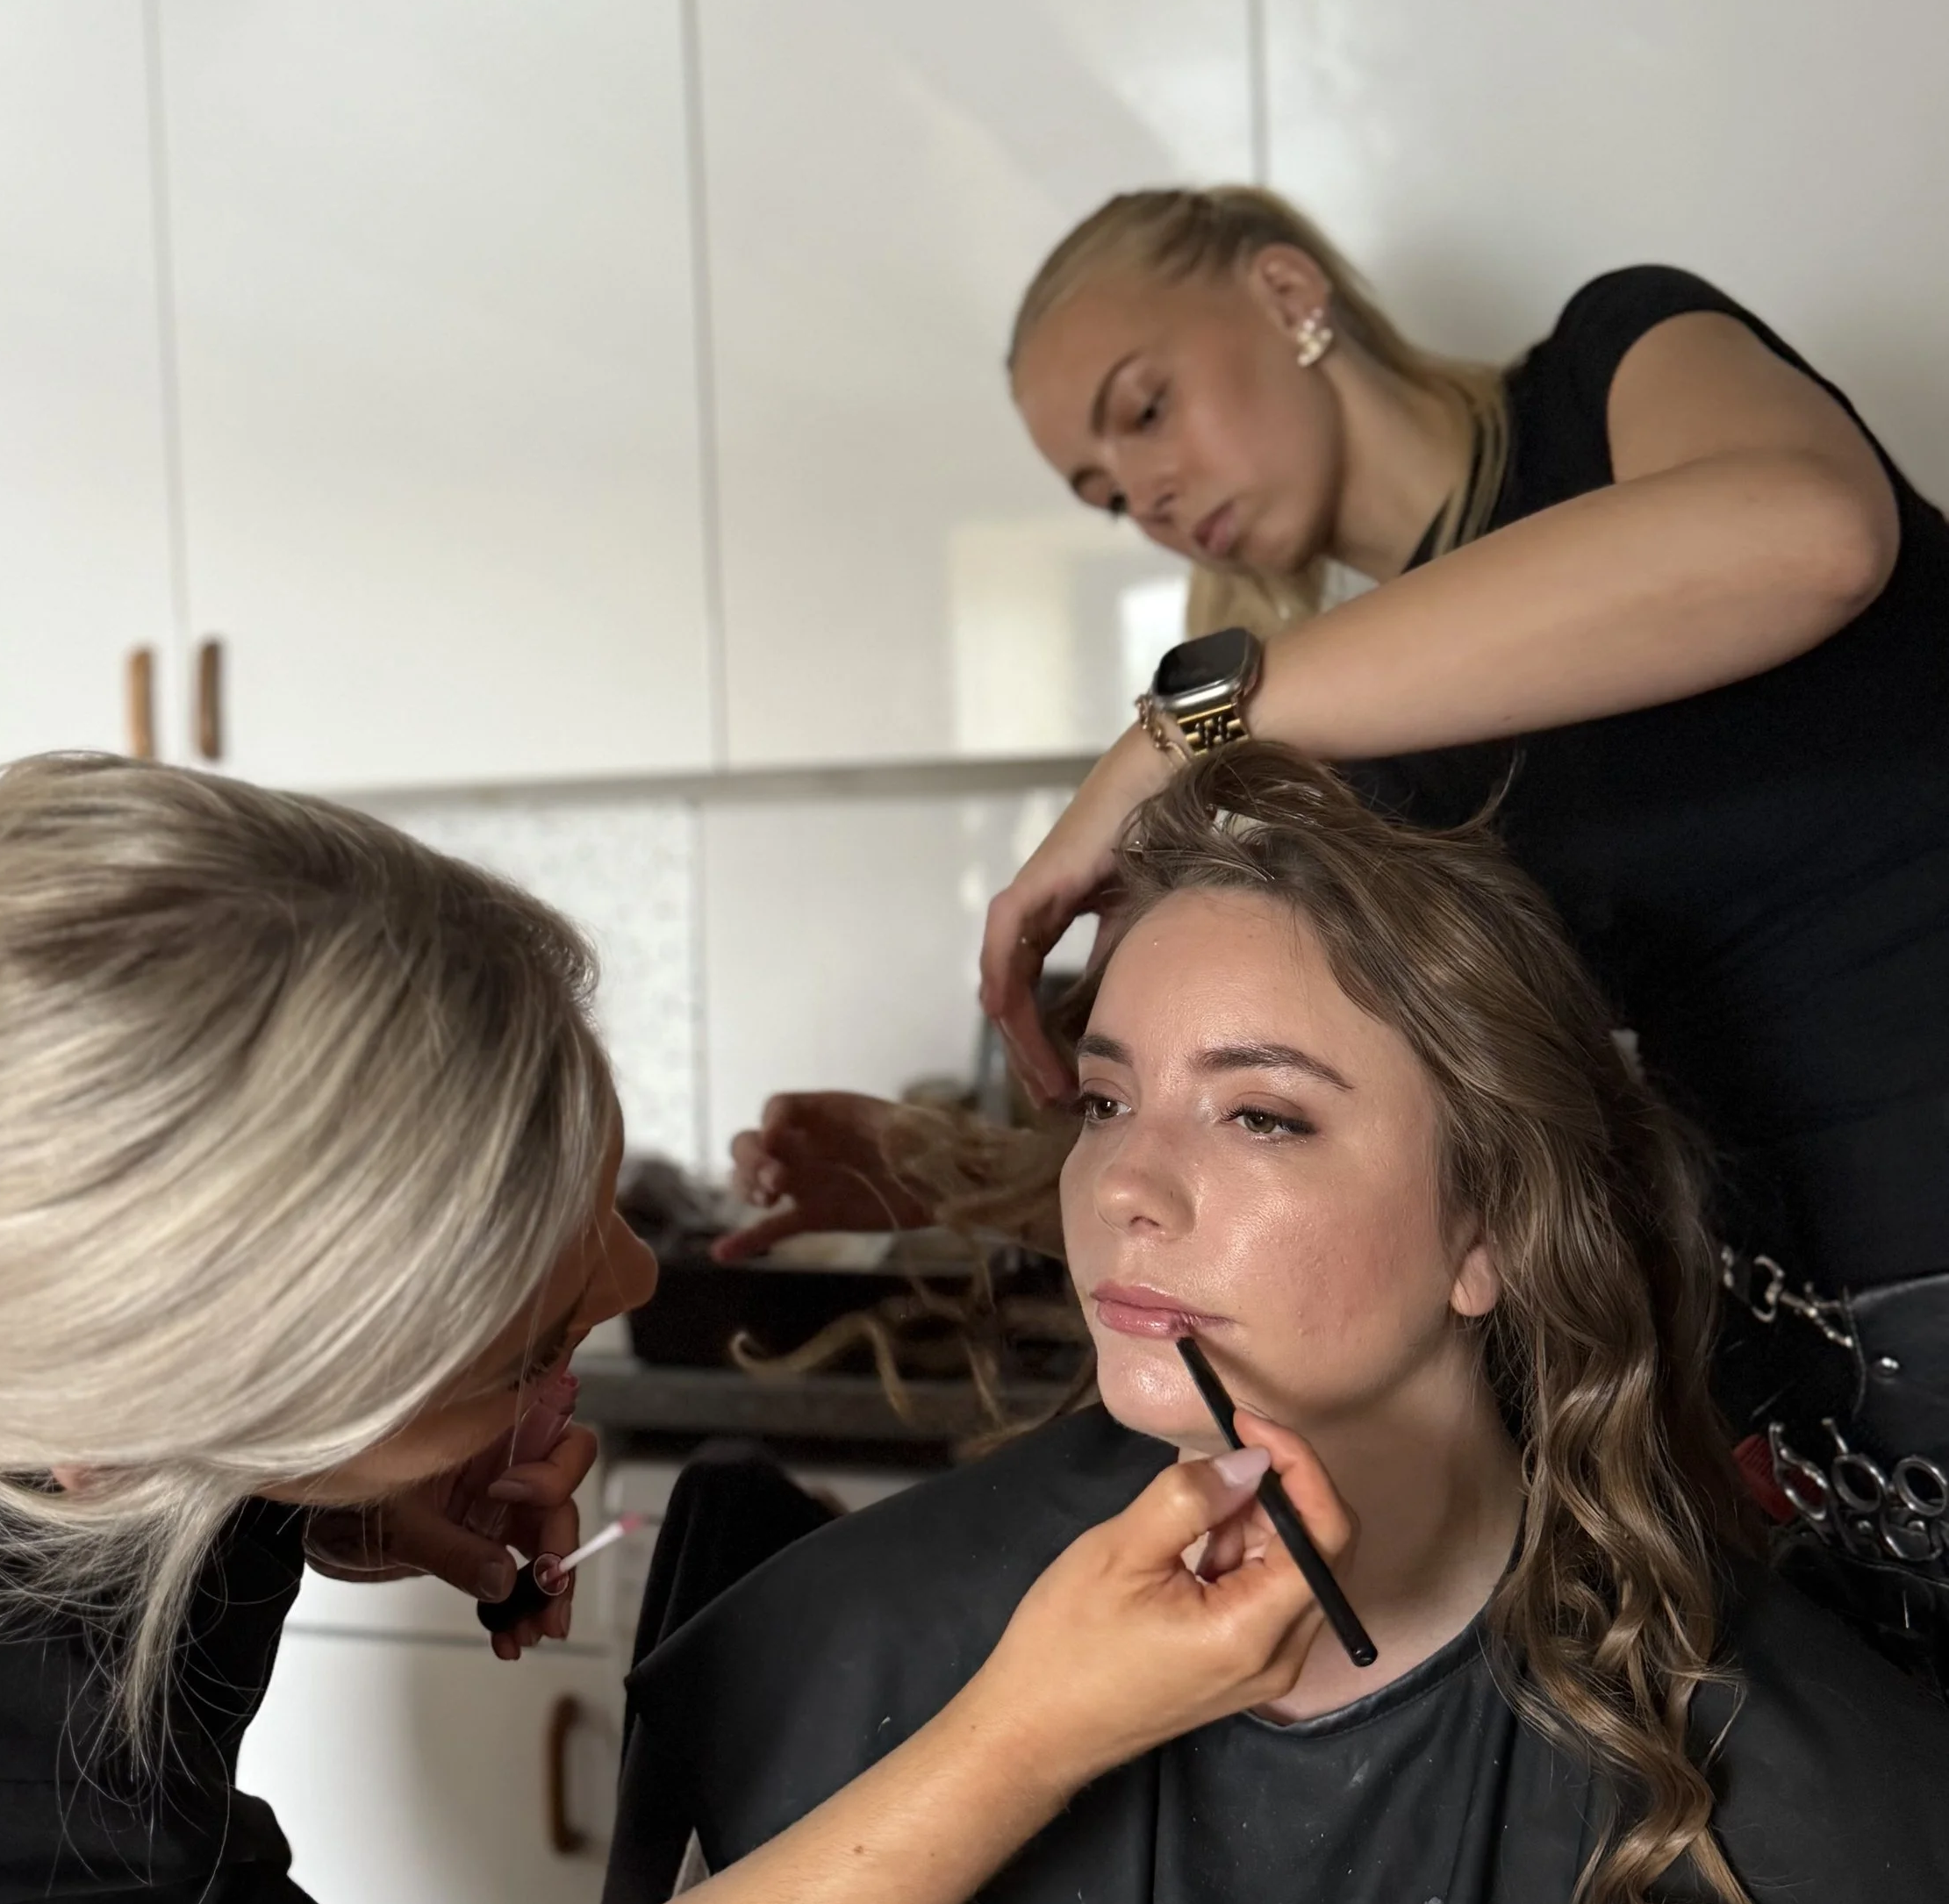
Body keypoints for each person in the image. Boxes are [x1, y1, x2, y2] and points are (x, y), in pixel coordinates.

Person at [0, 755, 1344, 1904]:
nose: (635, 1279)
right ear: (163, 1447)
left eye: (592, 1185)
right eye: (524, 1340)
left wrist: (344, 1492)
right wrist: (1020, 1737)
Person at [574, 750, 1949, 1904]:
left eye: (1264, 1119)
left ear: (1489, 1225)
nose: (1128, 1189)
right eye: (1105, 1099)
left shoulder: (1825, 1827)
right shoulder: (843, 1651)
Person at [728, 187, 1949, 1675]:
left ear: (1289, 290)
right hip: (1819, 1368)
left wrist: (1180, 730)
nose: (1149, 489)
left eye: (1147, 408)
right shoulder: (1386, 745)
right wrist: (932, 1174)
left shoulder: (1617, 368)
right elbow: (1292, 1102)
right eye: (1107, 491)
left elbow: (1812, 535)